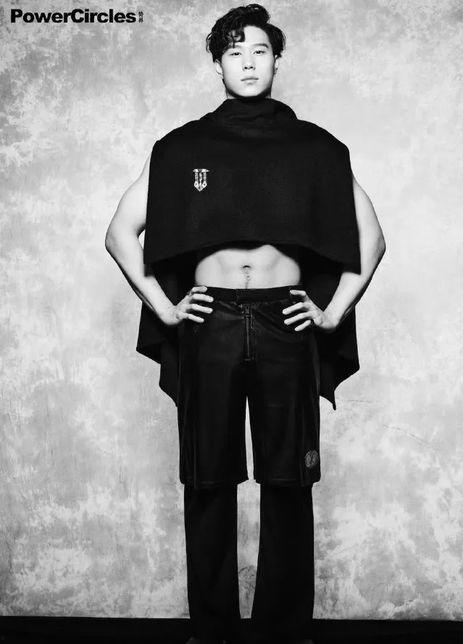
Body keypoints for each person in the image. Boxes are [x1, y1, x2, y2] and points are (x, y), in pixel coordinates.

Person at [105, 4, 385, 644]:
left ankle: (285, 630)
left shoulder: (315, 147)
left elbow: (372, 238)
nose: (248, 63)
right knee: (208, 477)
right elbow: (120, 233)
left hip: (287, 319)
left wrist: (333, 311)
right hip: (211, 321)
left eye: (259, 50)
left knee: (289, 478)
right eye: (234, 52)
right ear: (218, 64)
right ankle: (213, 630)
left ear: (277, 59)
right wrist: (165, 307)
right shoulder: (182, 147)